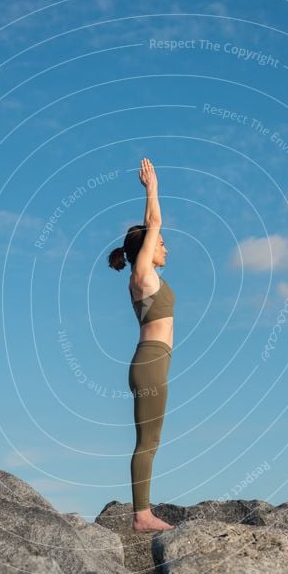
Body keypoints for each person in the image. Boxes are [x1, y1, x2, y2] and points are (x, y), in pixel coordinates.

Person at [107, 158, 175, 532]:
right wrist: (152, 189)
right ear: (145, 251)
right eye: (160, 244)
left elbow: (155, 230)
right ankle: (142, 516)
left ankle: (142, 512)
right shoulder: (142, 274)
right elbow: (155, 223)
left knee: (152, 439)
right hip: (149, 362)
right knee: (147, 440)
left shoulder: (146, 277)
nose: (165, 247)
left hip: (154, 361)